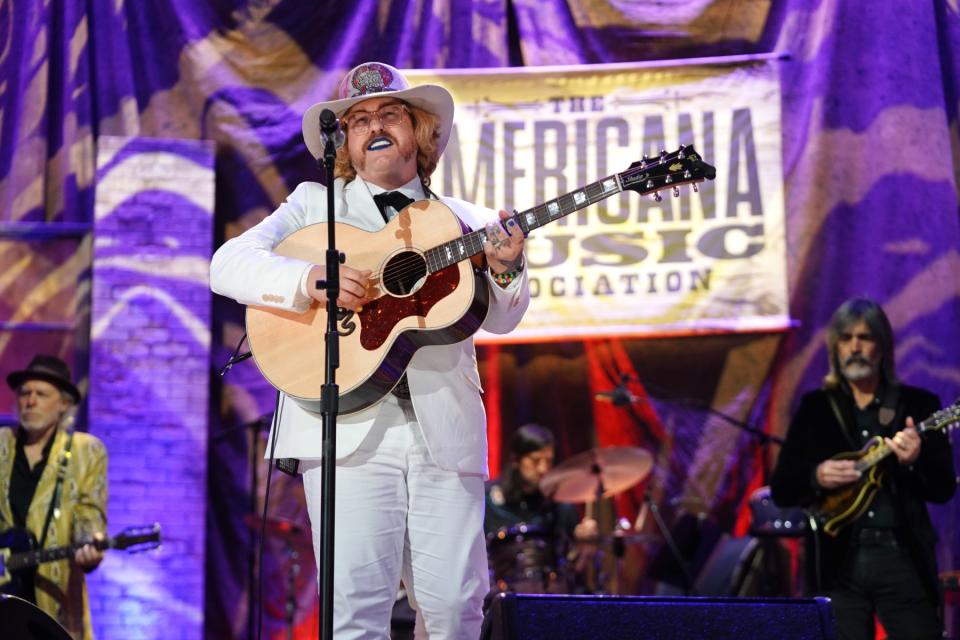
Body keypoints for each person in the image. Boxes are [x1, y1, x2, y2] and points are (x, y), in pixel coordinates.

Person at [210, 61, 529, 638]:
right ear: (346, 143)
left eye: (389, 114)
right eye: (358, 120)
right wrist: (310, 279)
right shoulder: (313, 207)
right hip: (344, 434)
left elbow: (503, 320)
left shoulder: (469, 221)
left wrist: (507, 269)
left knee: (457, 610)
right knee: (354, 612)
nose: (373, 125)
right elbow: (225, 265)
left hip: (443, 430)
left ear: (420, 133)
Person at [770, 297, 956, 640]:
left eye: (865, 337)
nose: (854, 346)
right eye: (845, 338)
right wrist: (816, 476)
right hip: (837, 565)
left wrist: (914, 463)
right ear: (834, 349)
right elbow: (782, 487)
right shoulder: (815, 408)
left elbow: (944, 489)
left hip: (903, 561)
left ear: (882, 347)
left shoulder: (918, 406)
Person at [1, 354, 108, 640]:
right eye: (25, 393)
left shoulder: (86, 451)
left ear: (63, 404)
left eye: (41, 394)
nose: (31, 401)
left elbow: (90, 511)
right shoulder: (1, 444)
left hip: (52, 602)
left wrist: (89, 546)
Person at [484, 424, 600, 593]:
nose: (543, 469)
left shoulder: (559, 504)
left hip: (550, 594)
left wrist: (584, 544)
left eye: (548, 461)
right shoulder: (488, 499)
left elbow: (571, 565)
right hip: (495, 593)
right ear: (516, 459)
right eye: (536, 460)